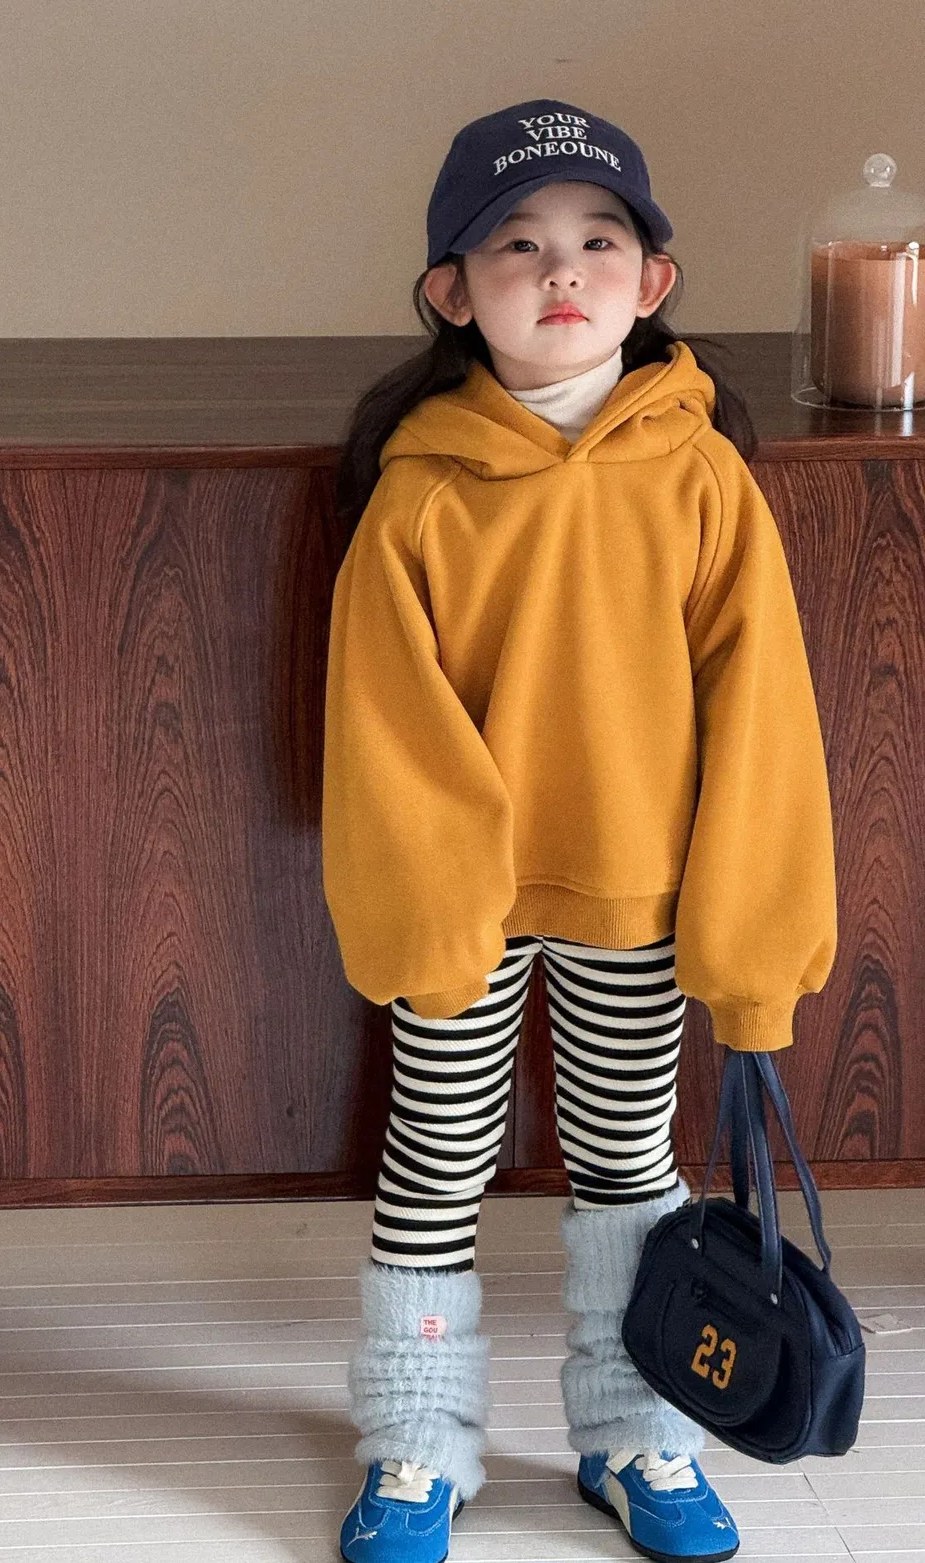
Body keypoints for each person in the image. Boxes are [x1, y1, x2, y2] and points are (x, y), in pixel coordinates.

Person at [321, 100, 837, 1563]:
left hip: (639, 901)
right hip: (467, 910)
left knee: (629, 1167)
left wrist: (750, 944)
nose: (563, 270)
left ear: (652, 282)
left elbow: (763, 719)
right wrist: (431, 916)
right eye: (518, 244)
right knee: (436, 1164)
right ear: (452, 293)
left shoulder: (703, 476)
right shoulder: (419, 490)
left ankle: (637, 1432)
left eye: (599, 241)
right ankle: (417, 1445)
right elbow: (387, 732)